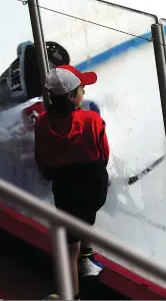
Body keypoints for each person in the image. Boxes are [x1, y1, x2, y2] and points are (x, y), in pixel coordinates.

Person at [34, 64, 110, 300]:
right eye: (81, 90)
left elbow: (43, 162)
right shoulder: (92, 120)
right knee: (85, 219)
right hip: (93, 188)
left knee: (69, 247)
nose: (84, 94)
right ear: (70, 96)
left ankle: (76, 285)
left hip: (66, 191)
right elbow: (104, 154)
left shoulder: (42, 124)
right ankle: (84, 267)